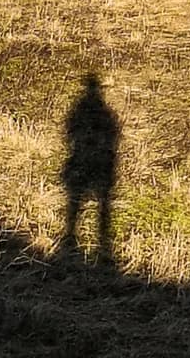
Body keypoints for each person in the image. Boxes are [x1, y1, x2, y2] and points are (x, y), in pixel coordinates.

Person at [60, 71, 120, 262]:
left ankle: (70, 236)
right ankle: (102, 243)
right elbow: (114, 138)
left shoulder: (79, 111)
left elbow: (69, 133)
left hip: (82, 161)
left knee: (75, 202)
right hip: (101, 163)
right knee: (103, 206)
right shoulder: (106, 113)